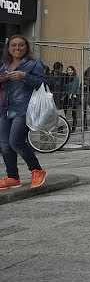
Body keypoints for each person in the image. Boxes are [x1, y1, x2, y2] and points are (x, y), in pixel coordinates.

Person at [0, 35, 48, 190]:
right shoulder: (4, 65)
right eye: (13, 45)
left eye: (21, 45)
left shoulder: (34, 64)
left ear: (26, 47)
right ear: (8, 48)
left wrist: (25, 76)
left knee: (15, 141)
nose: (17, 48)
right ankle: (13, 177)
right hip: (6, 109)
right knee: (5, 144)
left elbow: (42, 83)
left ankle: (37, 170)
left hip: (25, 108)